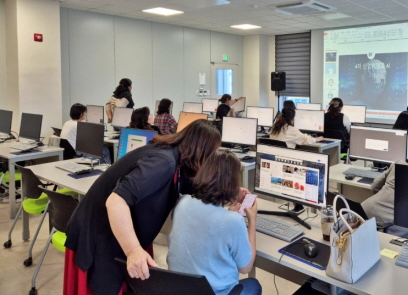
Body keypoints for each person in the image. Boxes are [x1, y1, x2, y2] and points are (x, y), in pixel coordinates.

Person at [63, 120, 222, 295]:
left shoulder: (172, 157)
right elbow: (116, 201)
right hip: (97, 236)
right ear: (201, 150)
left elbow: (187, 185)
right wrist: (133, 250)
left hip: (111, 232)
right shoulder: (163, 162)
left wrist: (228, 192)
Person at [168, 151, 261, 295]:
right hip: (214, 292)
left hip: (178, 289)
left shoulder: (182, 202)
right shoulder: (233, 221)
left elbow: (206, 224)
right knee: (254, 285)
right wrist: (252, 220)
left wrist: (229, 208)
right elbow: (245, 268)